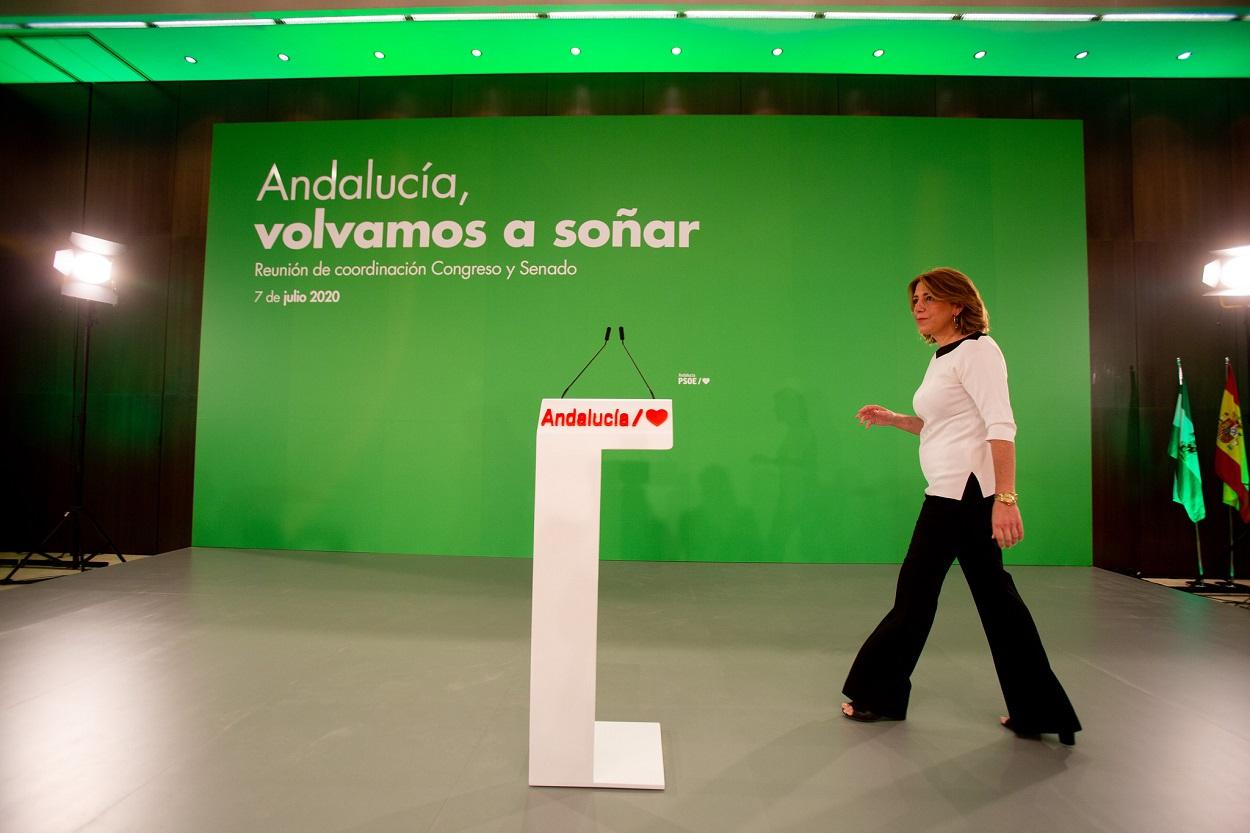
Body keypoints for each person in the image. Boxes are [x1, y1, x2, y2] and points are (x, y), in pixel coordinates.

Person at [841, 267, 1081, 746]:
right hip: (953, 492)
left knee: (916, 597)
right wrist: (894, 420)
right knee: (994, 600)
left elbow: (1000, 426)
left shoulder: (979, 351)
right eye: (914, 300)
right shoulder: (943, 356)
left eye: (929, 298)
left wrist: (1006, 499)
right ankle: (1039, 710)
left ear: (957, 304)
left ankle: (879, 694)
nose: (918, 307)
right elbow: (941, 426)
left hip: (963, 497)